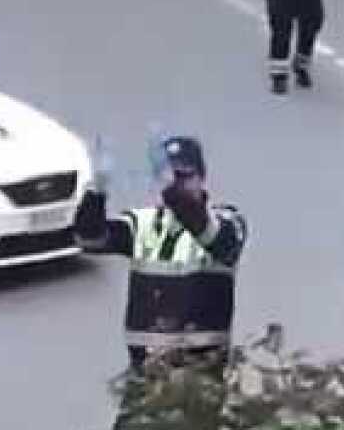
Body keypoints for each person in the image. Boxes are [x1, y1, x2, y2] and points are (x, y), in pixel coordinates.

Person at [73, 136, 247, 429]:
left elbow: (218, 241)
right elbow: (88, 238)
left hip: (198, 379)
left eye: (184, 176)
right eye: (169, 176)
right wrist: (96, 189)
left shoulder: (228, 221)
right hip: (146, 375)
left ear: (202, 178)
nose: (177, 184)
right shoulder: (143, 225)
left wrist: (178, 197)